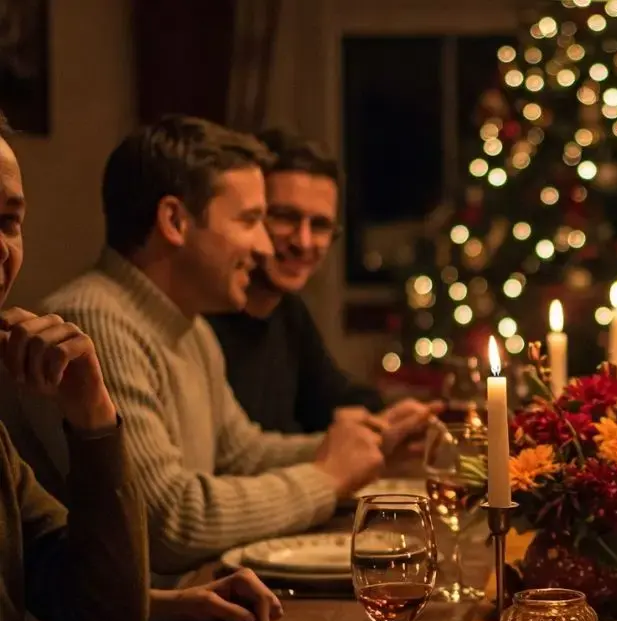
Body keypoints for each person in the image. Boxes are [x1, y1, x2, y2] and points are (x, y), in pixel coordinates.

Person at [0, 112, 280, 621]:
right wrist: (339, 469)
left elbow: (103, 608)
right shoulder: (96, 311)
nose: (2, 247)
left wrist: (94, 413)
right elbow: (175, 521)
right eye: (252, 219)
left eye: (9, 220)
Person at [39, 116, 402, 577]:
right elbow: (169, 522)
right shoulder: (94, 322)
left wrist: (354, 446)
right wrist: (326, 478)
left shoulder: (191, 329)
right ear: (174, 220)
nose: (265, 245)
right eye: (251, 220)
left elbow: (242, 454)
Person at [206, 128, 435, 436]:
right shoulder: (201, 320)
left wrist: (408, 415)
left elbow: (336, 401)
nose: (303, 241)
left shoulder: (288, 312)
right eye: (285, 217)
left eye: (319, 225)